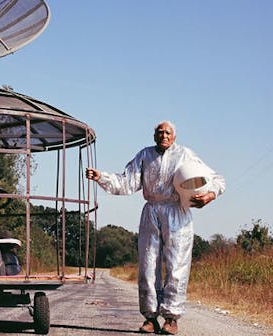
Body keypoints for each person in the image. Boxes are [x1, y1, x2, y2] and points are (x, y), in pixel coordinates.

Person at [86, 121, 225, 335]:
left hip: (177, 211)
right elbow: (127, 183)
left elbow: (216, 179)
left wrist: (209, 195)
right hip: (151, 211)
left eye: (167, 133)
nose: (163, 136)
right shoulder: (145, 155)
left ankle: (171, 318)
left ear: (174, 136)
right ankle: (150, 318)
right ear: (154, 136)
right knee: (148, 264)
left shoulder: (186, 154)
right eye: (159, 133)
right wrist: (101, 177)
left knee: (177, 265)